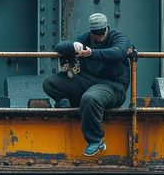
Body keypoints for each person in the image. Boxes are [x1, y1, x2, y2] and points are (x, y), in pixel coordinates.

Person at [42, 12, 131, 157]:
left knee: (90, 98)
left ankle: (96, 140)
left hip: (113, 86)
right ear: (91, 32)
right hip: (89, 81)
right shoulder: (85, 38)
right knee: (50, 82)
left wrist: (92, 53)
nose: (99, 37)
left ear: (106, 29)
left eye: (101, 33)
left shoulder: (118, 38)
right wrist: (72, 45)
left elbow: (119, 53)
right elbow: (59, 46)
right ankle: (69, 102)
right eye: (96, 34)